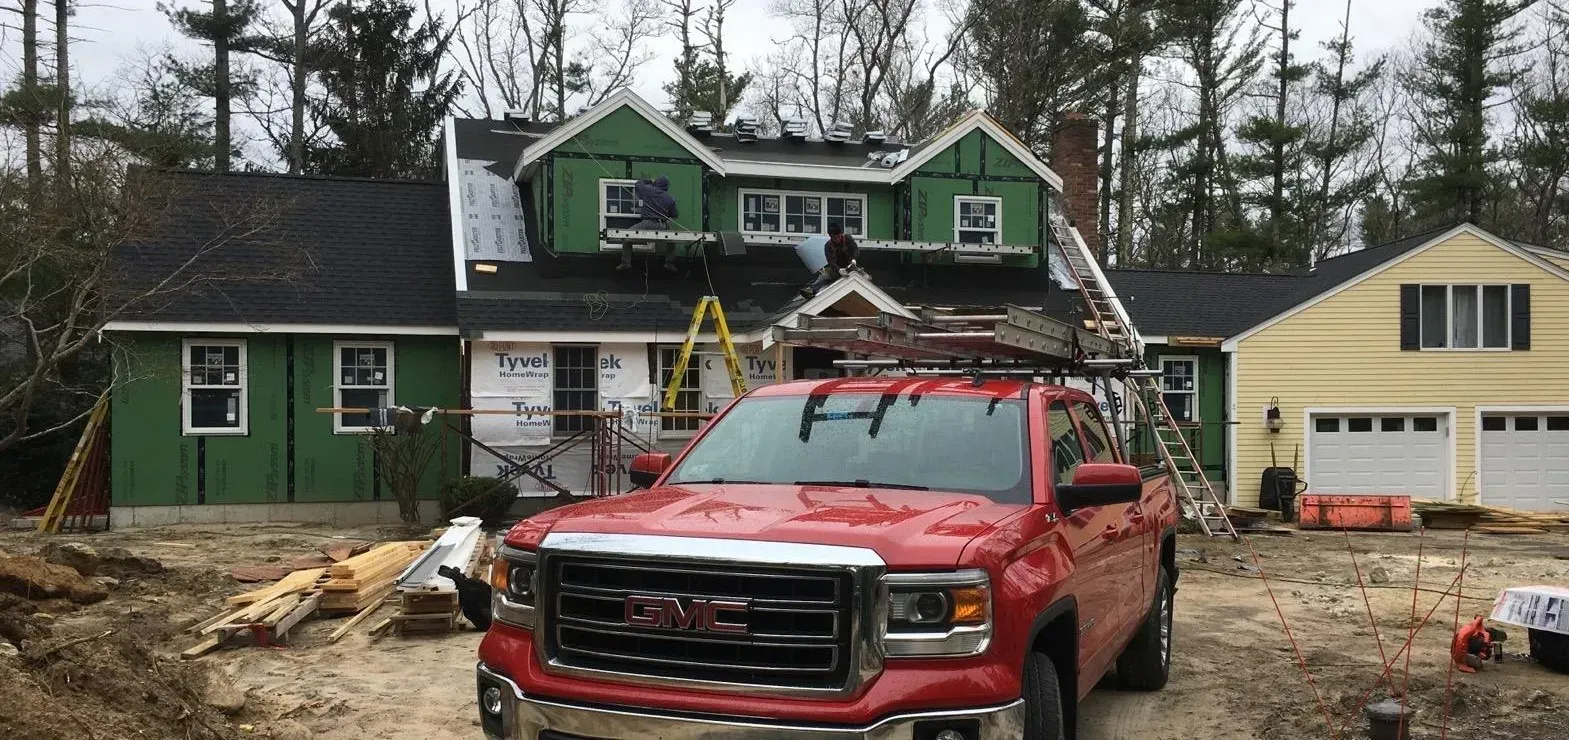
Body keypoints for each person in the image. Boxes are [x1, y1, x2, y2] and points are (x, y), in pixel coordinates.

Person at [618, 175, 679, 272]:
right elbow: (675, 215)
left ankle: (626, 263)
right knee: (673, 240)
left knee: (626, 236)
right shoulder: (669, 199)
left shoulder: (648, 190)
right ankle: (669, 263)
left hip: (646, 224)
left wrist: (650, 181)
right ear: (666, 186)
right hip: (661, 226)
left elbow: (638, 184)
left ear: (656, 183)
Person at [800, 223, 859, 298]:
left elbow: (855, 249)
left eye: (838, 237)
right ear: (831, 237)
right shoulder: (828, 246)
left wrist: (854, 259)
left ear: (841, 234)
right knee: (824, 276)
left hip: (851, 265)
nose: (837, 239)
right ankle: (811, 290)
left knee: (864, 277)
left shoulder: (848, 238)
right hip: (836, 268)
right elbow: (830, 261)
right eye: (834, 238)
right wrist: (838, 269)